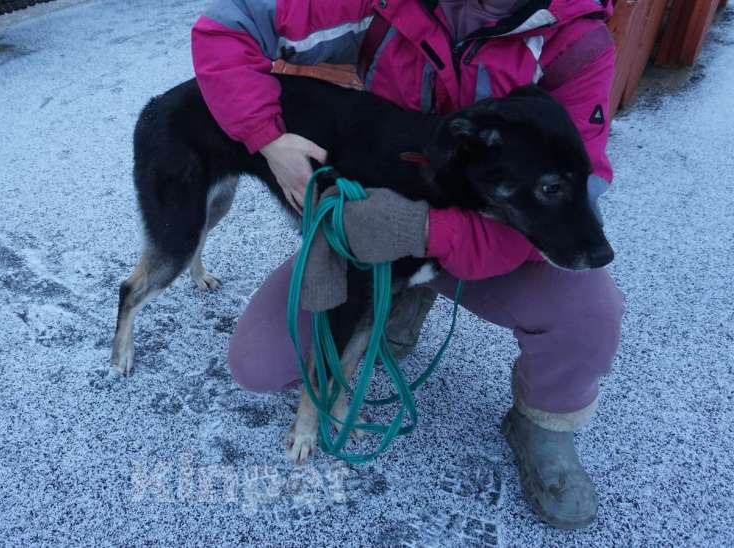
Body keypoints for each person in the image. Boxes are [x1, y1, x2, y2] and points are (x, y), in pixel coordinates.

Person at [191, 0, 625, 529]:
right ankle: (401, 298)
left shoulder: (575, 43)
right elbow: (228, 25)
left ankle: (544, 427)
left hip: (494, 237)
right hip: (377, 228)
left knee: (590, 310)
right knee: (259, 364)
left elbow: (585, 185)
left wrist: (422, 230)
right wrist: (265, 136)